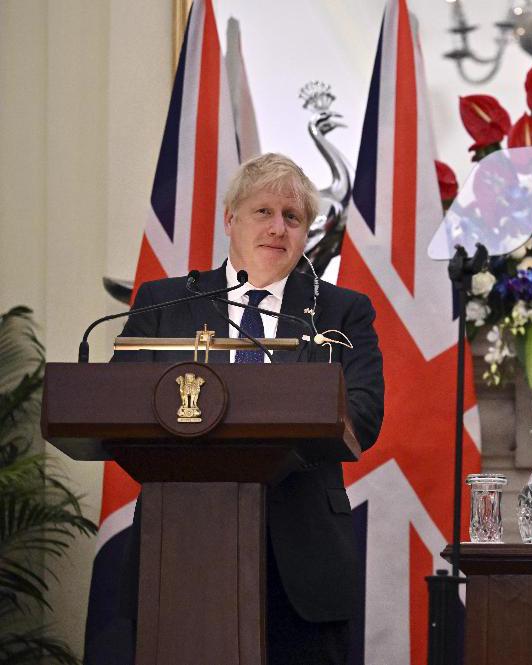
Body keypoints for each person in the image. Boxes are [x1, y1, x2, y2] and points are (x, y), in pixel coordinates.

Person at [112, 153, 384, 665]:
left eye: (293, 217)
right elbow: (116, 400)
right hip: (179, 548)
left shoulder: (342, 311)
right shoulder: (162, 304)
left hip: (303, 556)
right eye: (263, 212)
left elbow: (364, 414)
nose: (278, 228)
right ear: (230, 219)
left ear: (305, 233)